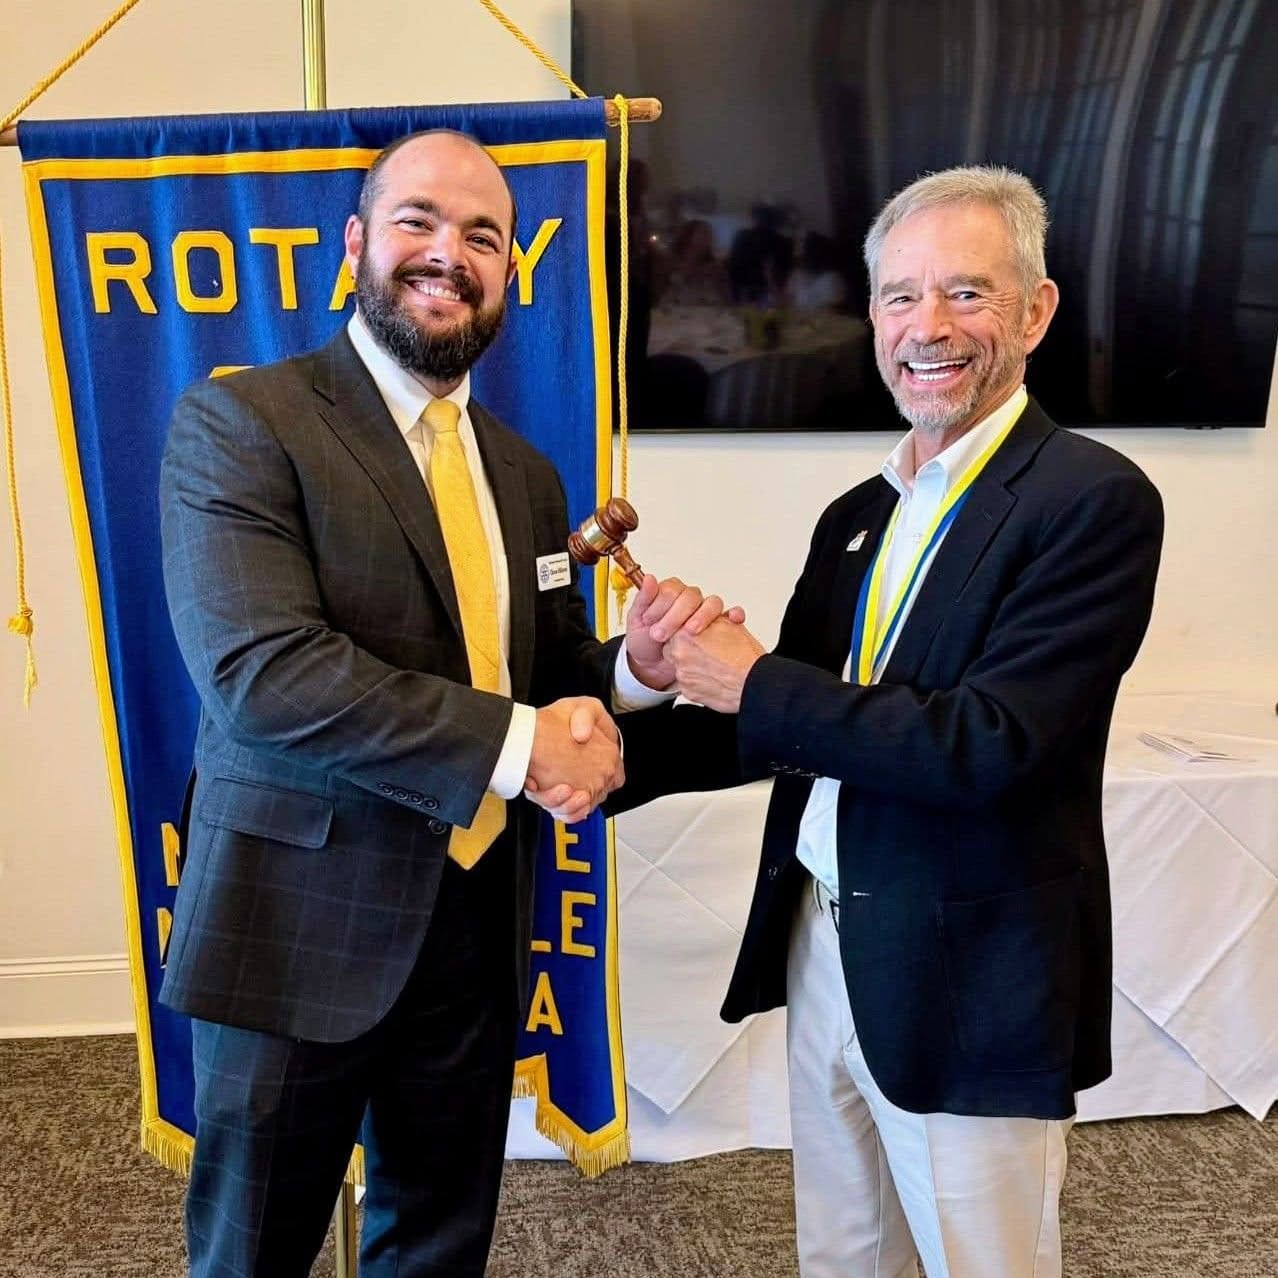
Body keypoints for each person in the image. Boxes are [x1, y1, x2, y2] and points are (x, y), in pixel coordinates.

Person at [158, 128, 728, 1278]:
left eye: (483, 234)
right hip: (293, 925)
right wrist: (527, 743)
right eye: (418, 220)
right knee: (251, 1252)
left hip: (471, 929)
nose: (447, 253)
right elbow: (266, 675)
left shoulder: (526, 473)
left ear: (509, 270)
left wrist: (633, 675)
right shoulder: (242, 424)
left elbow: (546, 671)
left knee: (437, 1242)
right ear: (359, 243)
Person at [615, 166, 1164, 1278]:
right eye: (902, 297)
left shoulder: (1092, 501)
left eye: (967, 293)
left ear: (1035, 311)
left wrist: (752, 677)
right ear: (870, 317)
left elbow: (988, 744)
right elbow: (796, 722)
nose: (930, 328)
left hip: (972, 972)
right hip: (829, 941)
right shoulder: (859, 513)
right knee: (845, 1252)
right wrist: (611, 733)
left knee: (983, 1262)